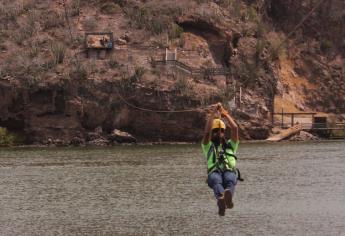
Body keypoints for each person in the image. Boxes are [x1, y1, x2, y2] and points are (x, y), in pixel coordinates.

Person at [201, 103, 239, 216]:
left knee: (230, 179)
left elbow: (235, 128)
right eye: (216, 131)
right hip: (214, 172)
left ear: (224, 132)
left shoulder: (231, 145)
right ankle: (221, 200)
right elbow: (207, 131)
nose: (219, 133)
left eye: (222, 131)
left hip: (228, 171)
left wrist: (224, 113)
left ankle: (227, 199)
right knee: (216, 180)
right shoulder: (207, 146)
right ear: (213, 133)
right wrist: (213, 113)